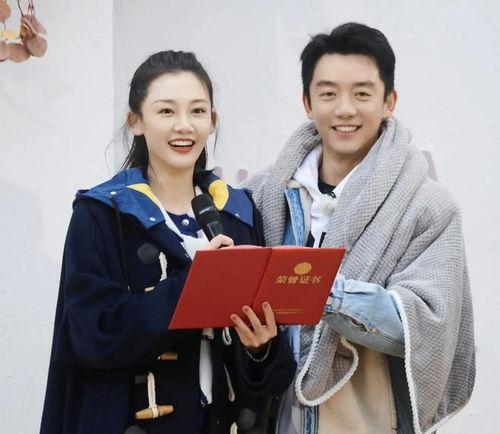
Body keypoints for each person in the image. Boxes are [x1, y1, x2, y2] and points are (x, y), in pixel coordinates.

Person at [40, 50, 296, 434]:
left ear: (212, 121)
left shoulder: (238, 212)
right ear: (136, 121)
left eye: (197, 111)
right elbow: (91, 335)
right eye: (166, 111)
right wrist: (195, 284)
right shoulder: (101, 213)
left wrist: (260, 348)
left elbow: (264, 375)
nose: (184, 126)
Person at [245, 23, 475, 434]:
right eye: (328, 94)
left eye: (362, 94)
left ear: (389, 102)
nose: (345, 109)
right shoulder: (263, 193)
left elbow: (425, 327)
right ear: (307, 102)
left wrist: (319, 290)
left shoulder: (428, 206)